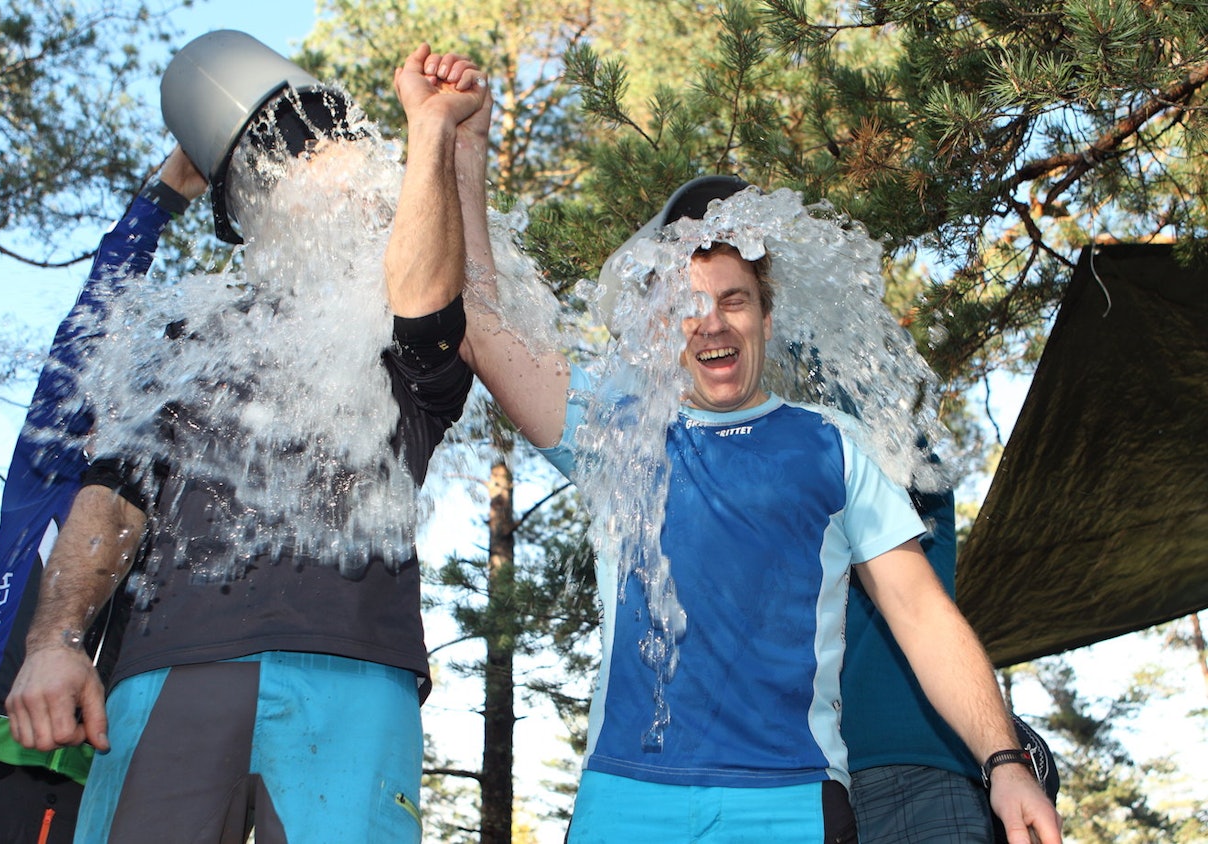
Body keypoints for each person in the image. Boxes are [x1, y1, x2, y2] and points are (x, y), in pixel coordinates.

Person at [415, 107, 1062, 841]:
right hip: (627, 798)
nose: (712, 323)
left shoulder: (831, 443)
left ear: (765, 318)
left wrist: (1005, 761)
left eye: (733, 300)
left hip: (789, 800)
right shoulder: (619, 430)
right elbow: (482, 328)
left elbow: (921, 612)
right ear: (664, 324)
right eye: (689, 306)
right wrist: (465, 154)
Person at [4, 44, 487, 843]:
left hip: (354, 669)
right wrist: (54, 640)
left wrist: (432, 129)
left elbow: (430, 303)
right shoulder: (188, 335)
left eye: (344, 147)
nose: (337, 169)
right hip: (168, 664)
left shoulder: (394, 316)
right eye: (305, 154)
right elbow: (112, 498)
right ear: (253, 201)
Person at [0, 148, 205, 843]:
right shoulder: (51, 468)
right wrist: (164, 198)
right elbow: (91, 320)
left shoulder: (188, 509)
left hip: (111, 793)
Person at [845, 487, 1060, 843]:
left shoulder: (880, 464)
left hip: (914, 775)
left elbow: (921, 612)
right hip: (793, 778)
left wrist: (1006, 761)